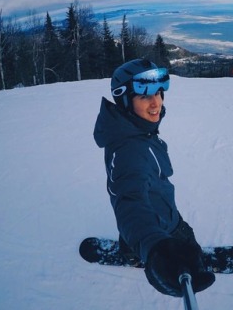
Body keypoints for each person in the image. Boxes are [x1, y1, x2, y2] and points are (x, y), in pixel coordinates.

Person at [93, 59, 215, 297]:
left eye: (159, 92)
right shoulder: (129, 150)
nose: (156, 103)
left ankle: (131, 247)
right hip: (164, 225)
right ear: (125, 101)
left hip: (155, 210)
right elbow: (130, 202)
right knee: (186, 241)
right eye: (144, 96)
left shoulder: (136, 129)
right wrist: (156, 246)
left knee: (135, 234)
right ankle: (149, 247)